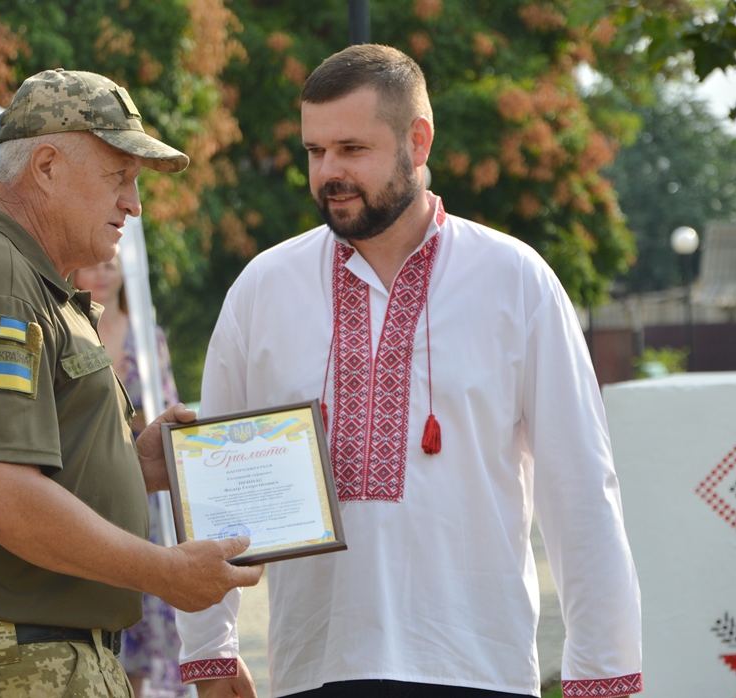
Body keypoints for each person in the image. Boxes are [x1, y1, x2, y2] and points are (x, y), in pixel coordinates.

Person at [177, 44, 642, 698]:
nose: (328, 172)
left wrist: (604, 675)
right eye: (315, 152)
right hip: (315, 668)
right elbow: (214, 490)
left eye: (351, 149)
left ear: (416, 142)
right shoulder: (263, 288)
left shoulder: (514, 281)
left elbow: (581, 486)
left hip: (477, 669)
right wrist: (210, 652)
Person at [0, 68, 263, 697]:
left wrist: (129, 463)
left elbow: (22, 470)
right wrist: (164, 571)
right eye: (119, 177)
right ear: (48, 167)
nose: (134, 204)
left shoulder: (34, 282)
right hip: (15, 665)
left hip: (34, 657)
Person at [72, 256, 187, 697]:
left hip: (144, 491)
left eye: (111, 265)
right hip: (87, 488)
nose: (101, 272)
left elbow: (169, 407)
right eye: (93, 265)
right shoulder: (68, 328)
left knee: (142, 614)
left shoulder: (147, 335)